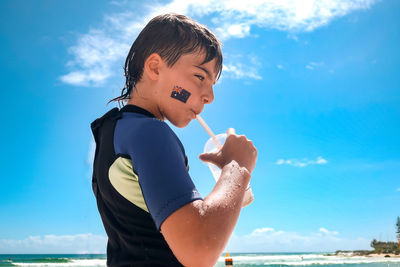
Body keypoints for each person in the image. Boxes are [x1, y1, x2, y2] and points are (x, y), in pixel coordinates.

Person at [91, 13, 257, 267]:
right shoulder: (150, 133)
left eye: (212, 84)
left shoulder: (115, 131)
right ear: (156, 67)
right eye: (200, 77)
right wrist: (237, 168)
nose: (209, 96)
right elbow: (199, 251)